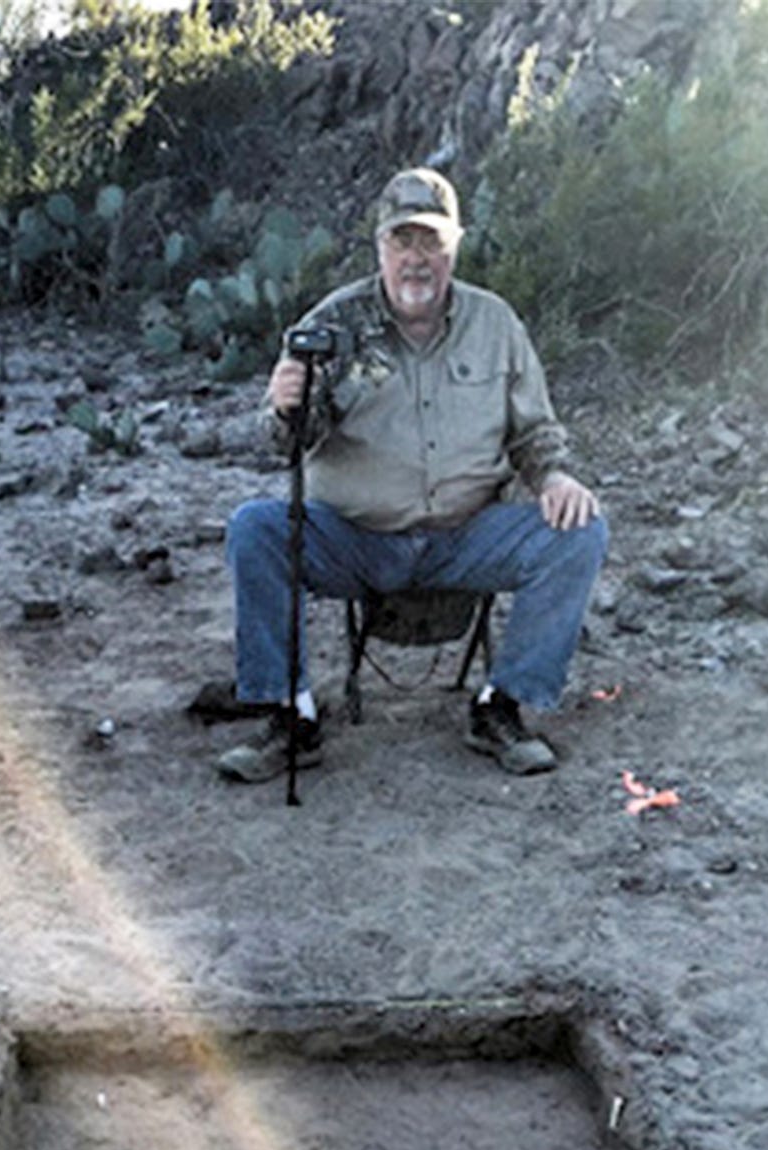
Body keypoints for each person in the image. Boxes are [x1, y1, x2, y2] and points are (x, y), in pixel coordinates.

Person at [218, 166, 608, 783]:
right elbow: (286, 446)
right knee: (255, 529)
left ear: (454, 246)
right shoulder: (333, 324)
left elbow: (533, 433)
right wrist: (285, 405)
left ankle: (501, 708)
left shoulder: (496, 324)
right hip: (354, 539)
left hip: (467, 536)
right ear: (380, 248)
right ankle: (289, 716)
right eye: (403, 241)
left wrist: (555, 477)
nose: (417, 259)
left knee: (580, 530)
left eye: (431, 242)